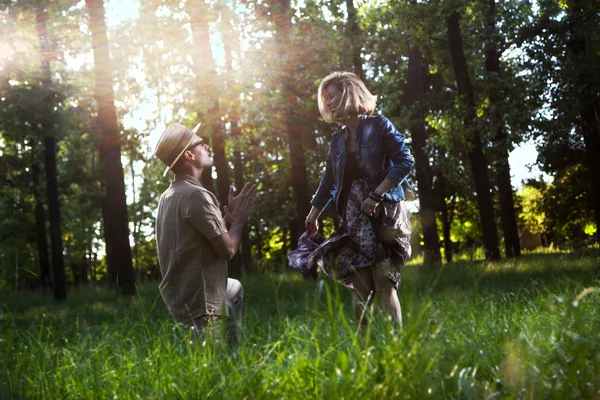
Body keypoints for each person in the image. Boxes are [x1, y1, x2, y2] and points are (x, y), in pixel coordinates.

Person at [288, 71, 414, 328]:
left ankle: (397, 349)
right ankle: (363, 354)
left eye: (332, 96)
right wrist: (313, 214)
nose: (328, 103)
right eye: (325, 98)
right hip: (354, 222)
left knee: (384, 283)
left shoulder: (380, 126)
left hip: (384, 216)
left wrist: (376, 195)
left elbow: (404, 163)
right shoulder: (337, 140)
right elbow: (328, 182)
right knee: (361, 286)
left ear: (348, 93)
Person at [153, 122, 257, 342]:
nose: (207, 145)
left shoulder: (168, 197)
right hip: (202, 304)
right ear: (189, 155)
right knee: (211, 371)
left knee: (234, 288)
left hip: (178, 297)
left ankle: (233, 350)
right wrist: (237, 222)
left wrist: (225, 221)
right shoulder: (197, 196)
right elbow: (227, 249)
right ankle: (231, 354)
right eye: (201, 142)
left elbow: (194, 237)